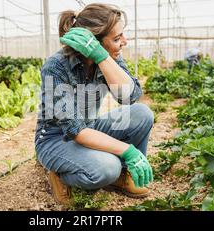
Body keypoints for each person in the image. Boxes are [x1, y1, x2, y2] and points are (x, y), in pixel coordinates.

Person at [34, 3, 154, 206]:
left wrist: (101, 57)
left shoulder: (108, 57)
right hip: (56, 139)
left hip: (90, 126)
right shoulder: (55, 67)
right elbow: (75, 130)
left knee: (142, 113)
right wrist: (128, 150)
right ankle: (60, 175)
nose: (124, 42)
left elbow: (130, 96)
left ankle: (123, 175)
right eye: (117, 39)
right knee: (107, 168)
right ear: (95, 41)